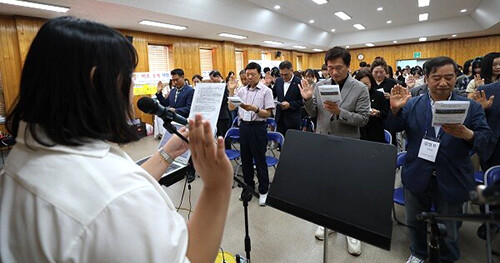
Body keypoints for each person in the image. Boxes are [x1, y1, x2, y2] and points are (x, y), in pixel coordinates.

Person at [0, 16, 233, 263]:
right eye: (129, 78)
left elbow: (116, 184)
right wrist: (217, 187)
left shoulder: (19, 163)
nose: (131, 91)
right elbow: (117, 195)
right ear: (96, 81)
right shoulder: (116, 198)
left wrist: (167, 153)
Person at [386, 56, 494, 263]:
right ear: (426, 78)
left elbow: (487, 140)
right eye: (436, 78)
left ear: (456, 77)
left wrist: (467, 134)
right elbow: (395, 129)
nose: (443, 83)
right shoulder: (413, 104)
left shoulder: (470, 107)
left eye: (449, 77)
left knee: (450, 226)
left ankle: (448, 258)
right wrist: (394, 111)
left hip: (452, 175)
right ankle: (418, 253)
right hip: (417, 173)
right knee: (414, 222)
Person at [300, 46, 370, 256]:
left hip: (348, 143)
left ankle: (351, 230)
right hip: (323, 141)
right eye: (330, 68)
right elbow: (314, 113)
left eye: (338, 68)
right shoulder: (320, 85)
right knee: (326, 185)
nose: (334, 72)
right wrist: (306, 99)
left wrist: (340, 112)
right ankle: (327, 222)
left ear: (348, 66)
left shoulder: (359, 88)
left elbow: (364, 119)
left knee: (348, 188)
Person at [228, 62, 275, 206]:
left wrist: (255, 109)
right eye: (247, 74)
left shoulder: (266, 91)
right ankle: (248, 187)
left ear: (259, 75)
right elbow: (231, 107)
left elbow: (268, 113)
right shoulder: (241, 91)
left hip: (258, 127)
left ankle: (263, 190)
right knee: (246, 159)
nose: (249, 77)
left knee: (260, 160)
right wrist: (231, 91)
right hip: (244, 127)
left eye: (252, 74)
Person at [354, 69, 388, 143]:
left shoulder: (379, 95)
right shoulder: (353, 96)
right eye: (361, 84)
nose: (363, 87)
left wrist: (378, 113)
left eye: (366, 84)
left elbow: (386, 113)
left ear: (371, 83)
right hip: (358, 131)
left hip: (375, 131)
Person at [273, 61, 304, 135]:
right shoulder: (278, 81)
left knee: (293, 144)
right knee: (281, 143)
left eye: (286, 74)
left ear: (291, 71)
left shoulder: (299, 82)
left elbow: (302, 101)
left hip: (293, 119)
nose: (283, 77)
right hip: (280, 118)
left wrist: (290, 105)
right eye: (281, 74)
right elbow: (272, 95)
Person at [209, 70, 232, 148]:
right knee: (219, 134)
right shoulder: (217, 86)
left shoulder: (224, 85)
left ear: (218, 76)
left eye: (213, 79)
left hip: (223, 114)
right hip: (217, 114)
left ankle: (228, 150)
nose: (212, 81)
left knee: (224, 134)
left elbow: (225, 99)